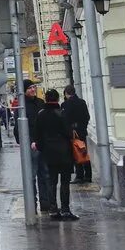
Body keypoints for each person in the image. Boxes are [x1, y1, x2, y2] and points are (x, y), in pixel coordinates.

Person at [33, 90, 78, 220]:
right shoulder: (63, 113)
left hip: (49, 153)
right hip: (65, 153)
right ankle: (65, 209)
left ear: (46, 99)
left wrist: (42, 148)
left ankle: (53, 209)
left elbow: (37, 135)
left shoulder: (41, 114)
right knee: (65, 182)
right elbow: (69, 133)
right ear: (58, 99)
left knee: (51, 182)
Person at [21, 80, 51, 212]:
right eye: (30, 88)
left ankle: (46, 203)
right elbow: (20, 128)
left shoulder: (40, 103)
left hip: (43, 144)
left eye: (34, 87)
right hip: (30, 145)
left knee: (45, 174)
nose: (33, 90)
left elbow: (47, 121)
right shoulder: (22, 105)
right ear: (24, 90)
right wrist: (28, 141)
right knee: (31, 175)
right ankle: (32, 203)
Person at [62, 85, 92, 184]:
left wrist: (71, 129)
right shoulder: (82, 102)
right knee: (84, 152)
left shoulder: (65, 104)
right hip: (82, 132)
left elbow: (65, 120)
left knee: (76, 153)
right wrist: (82, 127)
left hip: (73, 133)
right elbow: (87, 117)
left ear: (66, 93)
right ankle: (88, 175)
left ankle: (79, 175)